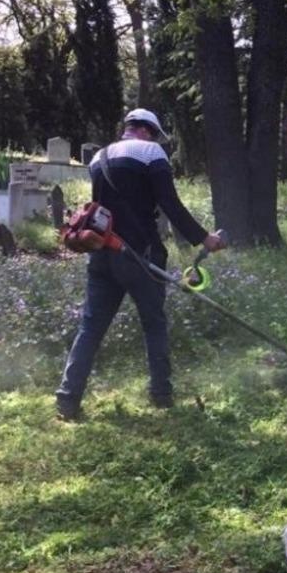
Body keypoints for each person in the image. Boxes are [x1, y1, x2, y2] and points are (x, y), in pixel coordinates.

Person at [55, 108, 225, 420]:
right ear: (146, 130)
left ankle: (67, 401)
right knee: (154, 325)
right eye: (156, 134)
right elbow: (169, 203)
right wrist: (204, 238)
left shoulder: (99, 157)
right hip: (139, 256)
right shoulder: (151, 152)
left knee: (90, 328)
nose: (157, 140)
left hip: (102, 252)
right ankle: (161, 395)